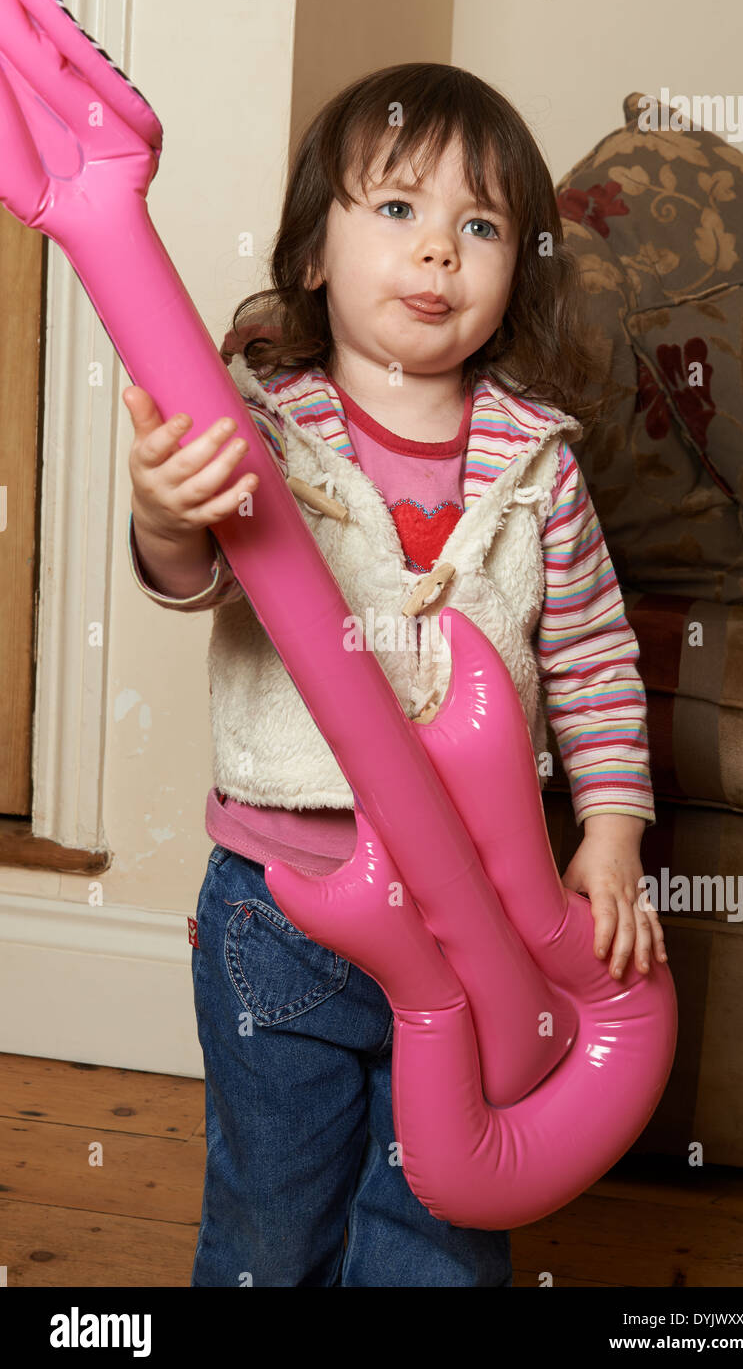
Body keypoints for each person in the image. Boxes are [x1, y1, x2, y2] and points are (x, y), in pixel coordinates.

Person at [124, 63, 667, 1287]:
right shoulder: (262, 430)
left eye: (478, 227)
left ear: (516, 271)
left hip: (475, 918)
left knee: (439, 1225)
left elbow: (589, 657)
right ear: (311, 255)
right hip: (284, 908)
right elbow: (197, 575)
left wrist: (614, 829)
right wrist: (166, 512)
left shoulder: (539, 470)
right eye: (396, 211)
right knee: (275, 1212)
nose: (437, 255)